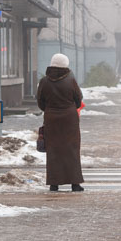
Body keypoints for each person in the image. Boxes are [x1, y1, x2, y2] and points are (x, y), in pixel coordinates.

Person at [36, 52, 84, 192]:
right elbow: (78, 99)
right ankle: (75, 183)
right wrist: (69, 108)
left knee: (53, 151)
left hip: (51, 119)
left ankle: (54, 184)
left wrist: (50, 110)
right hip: (70, 120)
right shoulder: (71, 80)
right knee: (72, 150)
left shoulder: (44, 81)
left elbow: (40, 101)